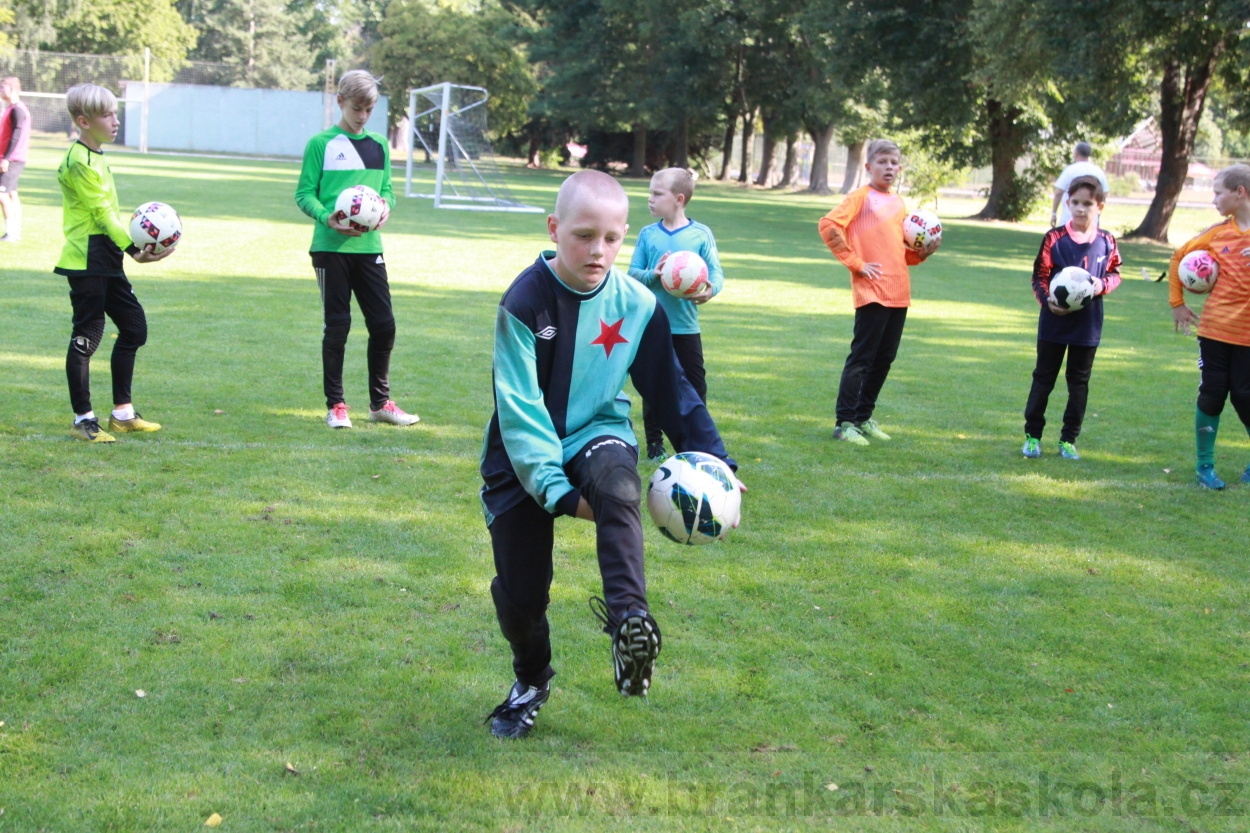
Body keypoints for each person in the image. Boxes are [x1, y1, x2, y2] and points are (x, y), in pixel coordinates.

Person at [480, 170, 740, 739]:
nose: (598, 251)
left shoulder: (638, 303)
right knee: (521, 597)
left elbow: (671, 392)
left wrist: (714, 459)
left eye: (612, 238)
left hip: (598, 430)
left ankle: (631, 626)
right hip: (522, 457)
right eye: (583, 236)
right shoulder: (524, 302)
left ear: (627, 235)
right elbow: (521, 417)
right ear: (555, 228)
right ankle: (532, 678)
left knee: (621, 486)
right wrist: (561, 496)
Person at [294, 69, 418, 430]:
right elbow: (304, 194)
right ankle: (336, 406)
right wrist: (326, 218)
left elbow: (388, 189)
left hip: (369, 247)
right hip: (330, 248)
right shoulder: (321, 144)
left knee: (384, 325)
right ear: (340, 102)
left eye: (369, 109)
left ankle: (380, 403)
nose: (362, 116)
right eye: (357, 108)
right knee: (338, 325)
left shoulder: (379, 145)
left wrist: (386, 208)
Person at [54, 84, 173, 443]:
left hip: (106, 257)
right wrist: (135, 250)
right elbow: (103, 214)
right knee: (87, 338)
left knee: (134, 328)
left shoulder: (97, 156)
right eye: (107, 115)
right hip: (87, 259)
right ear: (83, 121)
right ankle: (83, 419)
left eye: (114, 113)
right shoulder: (78, 161)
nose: (115, 120)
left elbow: (109, 216)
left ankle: (122, 413)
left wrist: (128, 248)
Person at [818, 138, 939, 445]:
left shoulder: (899, 204)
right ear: (869, 166)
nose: (889, 167)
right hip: (872, 291)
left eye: (894, 162)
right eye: (882, 162)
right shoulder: (861, 198)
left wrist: (924, 253)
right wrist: (856, 263)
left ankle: (863, 417)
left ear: (899, 168)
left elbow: (903, 254)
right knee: (862, 358)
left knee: (885, 358)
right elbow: (829, 225)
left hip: (899, 291)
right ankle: (844, 423)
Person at [627, 167, 724, 462]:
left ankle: (697, 442)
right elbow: (632, 273)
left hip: (686, 326)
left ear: (679, 199)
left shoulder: (699, 234)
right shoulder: (648, 235)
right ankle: (655, 445)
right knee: (655, 385)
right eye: (650, 193)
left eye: (657, 194)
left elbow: (716, 273)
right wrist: (654, 274)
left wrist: (710, 290)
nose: (650, 199)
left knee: (695, 386)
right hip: (653, 324)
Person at [1022, 176, 1121, 460]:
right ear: (1067, 203)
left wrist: (1101, 285)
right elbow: (1039, 277)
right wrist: (1048, 301)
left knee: (1078, 382)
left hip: (1087, 325)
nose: (1080, 209)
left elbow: (1115, 274)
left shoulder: (1106, 241)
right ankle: (1032, 436)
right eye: (1075, 202)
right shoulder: (1054, 238)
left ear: (1099, 206)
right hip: (1054, 321)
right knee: (1043, 378)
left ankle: (1068, 440)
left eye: (1087, 203)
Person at [1167, 163, 1250, 489]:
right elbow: (1178, 258)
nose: (1214, 199)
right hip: (1215, 332)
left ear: (1239, 192)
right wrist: (1177, 304)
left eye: (1218, 193)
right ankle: (1205, 467)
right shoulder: (1217, 234)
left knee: (1245, 396)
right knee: (1213, 393)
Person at [0, 76, 31, 243]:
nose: (0, 90)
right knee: (11, 194)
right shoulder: (12, 108)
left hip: (12, 159)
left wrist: (5, 158)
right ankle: (15, 231)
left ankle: (11, 233)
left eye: (3, 87)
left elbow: (15, 136)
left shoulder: (17, 110)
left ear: (12, 89)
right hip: (12, 158)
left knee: (2, 195)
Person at [1051, 142, 1109, 228]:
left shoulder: (1070, 170)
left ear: (1076, 153)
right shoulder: (1098, 171)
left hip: (1069, 218)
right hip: (1091, 220)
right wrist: (1098, 213)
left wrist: (1054, 213)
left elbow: (1058, 193)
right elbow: (1104, 194)